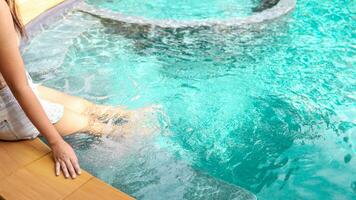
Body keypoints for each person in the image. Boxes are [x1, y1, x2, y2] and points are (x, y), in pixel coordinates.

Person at [0, 0, 150, 180]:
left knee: (89, 108)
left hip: (12, 90)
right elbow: (19, 88)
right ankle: (147, 136)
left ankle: (136, 118)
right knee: (97, 127)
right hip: (9, 109)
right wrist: (56, 142)